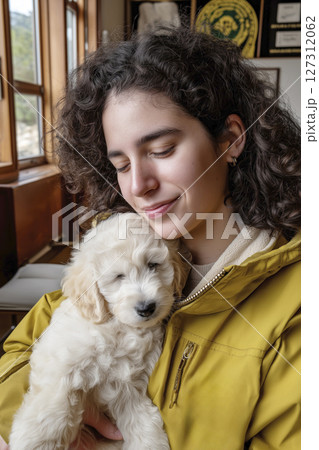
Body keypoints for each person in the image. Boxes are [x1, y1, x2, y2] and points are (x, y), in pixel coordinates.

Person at [0, 26, 300, 449]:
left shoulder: (297, 299)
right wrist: (71, 417)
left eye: (161, 150)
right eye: (121, 164)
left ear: (231, 140)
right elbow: (15, 357)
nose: (138, 185)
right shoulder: (112, 247)